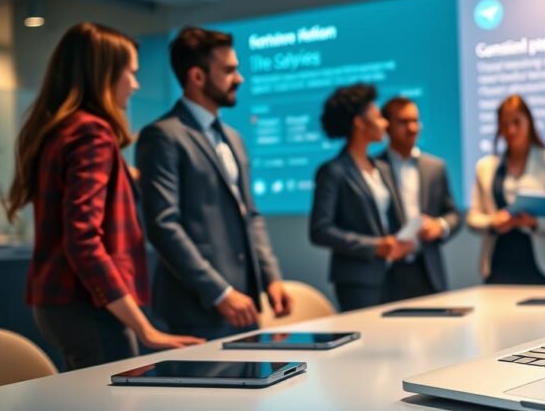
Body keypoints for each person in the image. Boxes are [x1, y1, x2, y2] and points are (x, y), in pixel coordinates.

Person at [6, 22, 203, 370]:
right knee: (115, 402)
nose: (135, 84)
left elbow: (105, 189)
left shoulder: (63, 130)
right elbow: (83, 239)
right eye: (131, 73)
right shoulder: (92, 133)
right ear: (103, 74)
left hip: (64, 303)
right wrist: (144, 329)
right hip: (87, 304)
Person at [136, 27, 292, 340]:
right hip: (197, 308)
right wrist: (219, 292)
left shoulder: (234, 137)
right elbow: (163, 226)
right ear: (197, 76)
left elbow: (251, 215)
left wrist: (271, 277)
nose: (240, 79)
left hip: (246, 304)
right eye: (229, 70)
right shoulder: (163, 136)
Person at [309, 84, 415, 311]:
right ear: (359, 122)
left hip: (393, 275)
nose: (385, 124)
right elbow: (320, 230)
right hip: (357, 280)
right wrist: (374, 246)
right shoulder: (333, 171)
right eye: (378, 117)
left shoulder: (381, 167)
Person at [467, 95, 545, 284]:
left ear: (529, 122)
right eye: (504, 124)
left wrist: (533, 222)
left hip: (542, 265)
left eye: (516, 122)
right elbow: (473, 218)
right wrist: (493, 221)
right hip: (499, 262)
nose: (511, 130)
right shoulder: (486, 167)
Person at [376, 96, 462, 299]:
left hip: (428, 270)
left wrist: (440, 226)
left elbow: (453, 214)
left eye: (415, 121)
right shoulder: (374, 167)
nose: (412, 128)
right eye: (403, 122)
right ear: (387, 126)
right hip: (388, 272)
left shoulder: (435, 167)